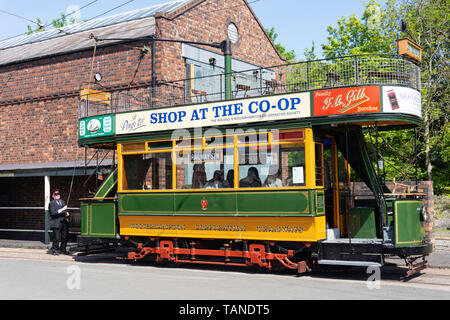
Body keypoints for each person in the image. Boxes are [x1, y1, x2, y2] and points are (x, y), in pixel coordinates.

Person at [48, 189, 70, 255]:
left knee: (65, 236)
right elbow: (53, 213)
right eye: (56, 195)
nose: (57, 196)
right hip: (56, 222)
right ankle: (55, 250)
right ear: (53, 196)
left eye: (58, 194)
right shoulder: (51, 203)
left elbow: (65, 210)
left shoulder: (62, 201)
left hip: (63, 221)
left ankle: (63, 249)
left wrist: (66, 212)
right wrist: (62, 209)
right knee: (56, 237)